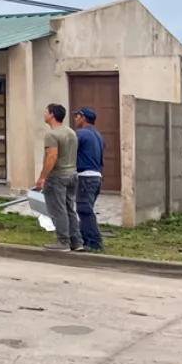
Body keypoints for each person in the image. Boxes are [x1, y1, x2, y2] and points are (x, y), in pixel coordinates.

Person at [35, 103, 81, 251]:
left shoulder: (52, 135)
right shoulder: (71, 132)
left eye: (46, 111)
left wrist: (42, 177)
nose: (44, 114)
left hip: (58, 177)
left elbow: (52, 157)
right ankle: (76, 241)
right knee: (69, 208)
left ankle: (63, 242)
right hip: (72, 175)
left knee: (58, 210)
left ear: (52, 115)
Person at [73, 108, 106, 253]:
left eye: (77, 116)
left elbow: (69, 151)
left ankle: (94, 242)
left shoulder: (81, 134)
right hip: (97, 177)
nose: (75, 119)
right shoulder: (98, 135)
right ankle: (85, 239)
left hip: (85, 176)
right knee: (86, 209)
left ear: (83, 118)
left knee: (84, 209)